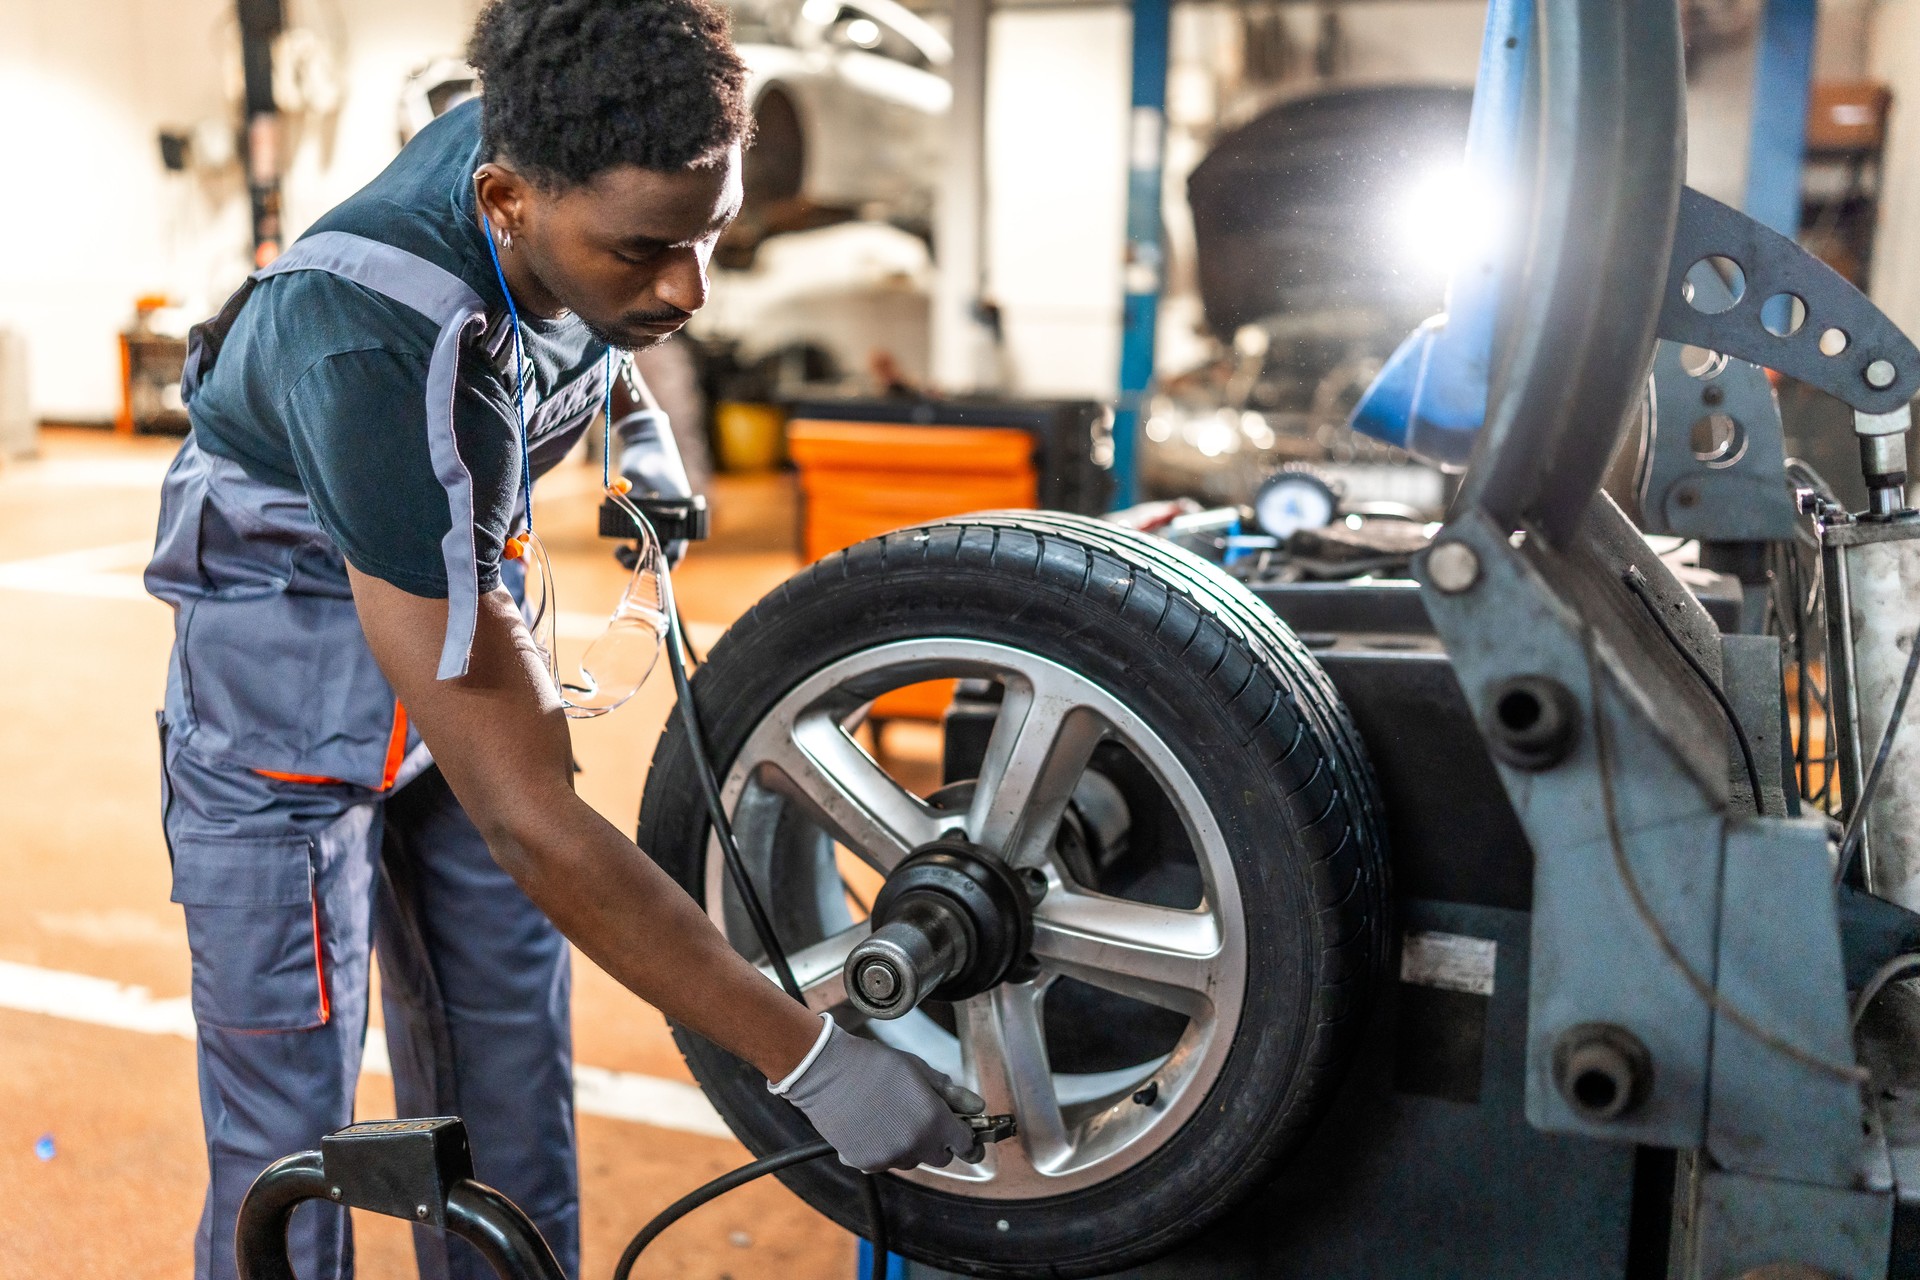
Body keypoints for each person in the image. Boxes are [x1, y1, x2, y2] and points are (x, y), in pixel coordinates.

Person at [144, 3, 979, 1277]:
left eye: (713, 237)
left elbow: (588, 308)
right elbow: (534, 815)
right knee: (291, 1141)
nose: (688, 291)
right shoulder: (378, 340)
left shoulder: (562, 151)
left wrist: (641, 435)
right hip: (287, 698)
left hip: (446, 574)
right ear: (506, 199)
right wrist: (808, 1056)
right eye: (652, 251)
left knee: (510, 1081)